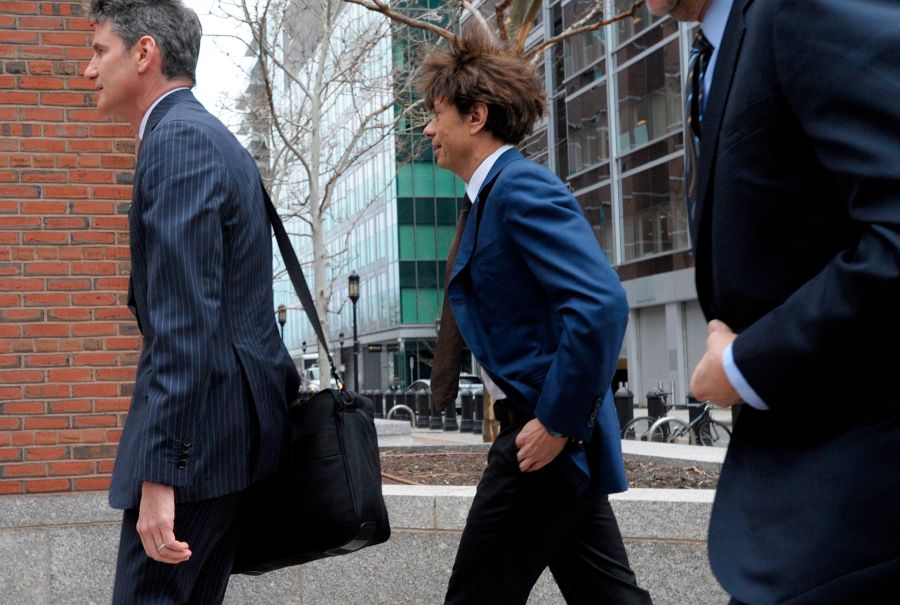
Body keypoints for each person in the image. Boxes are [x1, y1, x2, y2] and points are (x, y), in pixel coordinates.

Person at [646, 0, 900, 603]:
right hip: (811, 516)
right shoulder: (726, 41)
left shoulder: (800, 9)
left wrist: (747, 364)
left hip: (860, 519)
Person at [421, 31, 652, 605]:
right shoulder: (492, 195)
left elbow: (601, 304)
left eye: (436, 115)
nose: (428, 130)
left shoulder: (520, 189)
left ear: (475, 117)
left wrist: (556, 422)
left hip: (540, 437)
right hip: (545, 438)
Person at [84, 1, 299, 602]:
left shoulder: (177, 142)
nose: (88, 69)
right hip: (224, 441)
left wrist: (161, 474)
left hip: (196, 452)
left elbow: (184, 323)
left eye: (100, 50)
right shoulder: (209, 136)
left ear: (145, 53)